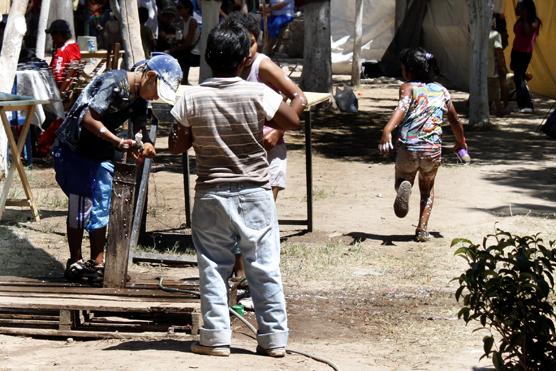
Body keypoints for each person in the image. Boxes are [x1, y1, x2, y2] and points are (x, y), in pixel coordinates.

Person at [168, 21, 299, 357]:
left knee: (213, 267)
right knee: (264, 265)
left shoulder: (191, 97)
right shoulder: (259, 93)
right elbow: (291, 121)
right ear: (245, 61)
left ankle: (214, 339)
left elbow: (177, 146)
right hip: (255, 192)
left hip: (210, 194)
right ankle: (273, 340)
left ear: (208, 58)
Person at [53, 54, 182, 285]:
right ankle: (75, 260)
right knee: (80, 204)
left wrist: (144, 144)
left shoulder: (139, 96)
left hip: (101, 150)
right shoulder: (114, 82)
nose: (154, 97)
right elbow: (88, 118)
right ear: (150, 77)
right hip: (76, 149)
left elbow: (139, 124)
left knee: (102, 201)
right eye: (156, 92)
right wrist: (116, 141)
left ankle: (98, 261)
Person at [225, 11, 306, 300]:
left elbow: (299, 98)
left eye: (251, 43)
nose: (247, 51)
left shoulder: (263, 66)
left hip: (268, 153)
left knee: (259, 218)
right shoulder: (230, 67)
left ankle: (255, 282)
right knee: (237, 218)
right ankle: (239, 276)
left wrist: (278, 132)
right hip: (241, 153)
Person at [378, 48, 467, 242]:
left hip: (408, 148)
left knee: (403, 178)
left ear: (407, 71)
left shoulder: (407, 87)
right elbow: (455, 121)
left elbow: (401, 109)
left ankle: (404, 185)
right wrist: (461, 142)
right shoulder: (442, 90)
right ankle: (422, 229)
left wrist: (387, 130)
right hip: (432, 150)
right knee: (427, 189)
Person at [510, 0, 541, 113]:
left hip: (525, 53)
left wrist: (524, 17)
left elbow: (528, 32)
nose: (517, 9)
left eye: (520, 7)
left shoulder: (534, 21)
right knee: (518, 77)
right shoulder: (520, 20)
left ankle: (528, 104)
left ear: (527, 9)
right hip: (516, 51)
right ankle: (521, 103)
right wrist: (522, 16)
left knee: (518, 77)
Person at [168, 0, 201, 84]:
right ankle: (182, 79)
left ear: (187, 9)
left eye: (180, 8)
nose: (178, 10)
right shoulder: (184, 21)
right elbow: (185, 40)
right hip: (189, 50)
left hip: (195, 53)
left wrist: (173, 49)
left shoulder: (192, 22)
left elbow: (188, 44)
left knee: (174, 54)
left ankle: (183, 79)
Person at [46, 19, 82, 87]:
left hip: (56, 89)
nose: (52, 39)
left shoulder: (62, 51)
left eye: (53, 35)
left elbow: (57, 77)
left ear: (59, 34)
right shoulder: (74, 46)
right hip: (68, 85)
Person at [488, 16, 507, 116]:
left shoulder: (478, 34)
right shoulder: (495, 34)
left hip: (480, 70)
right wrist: (502, 66)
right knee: (495, 90)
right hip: (491, 68)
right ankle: (499, 109)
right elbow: (499, 51)